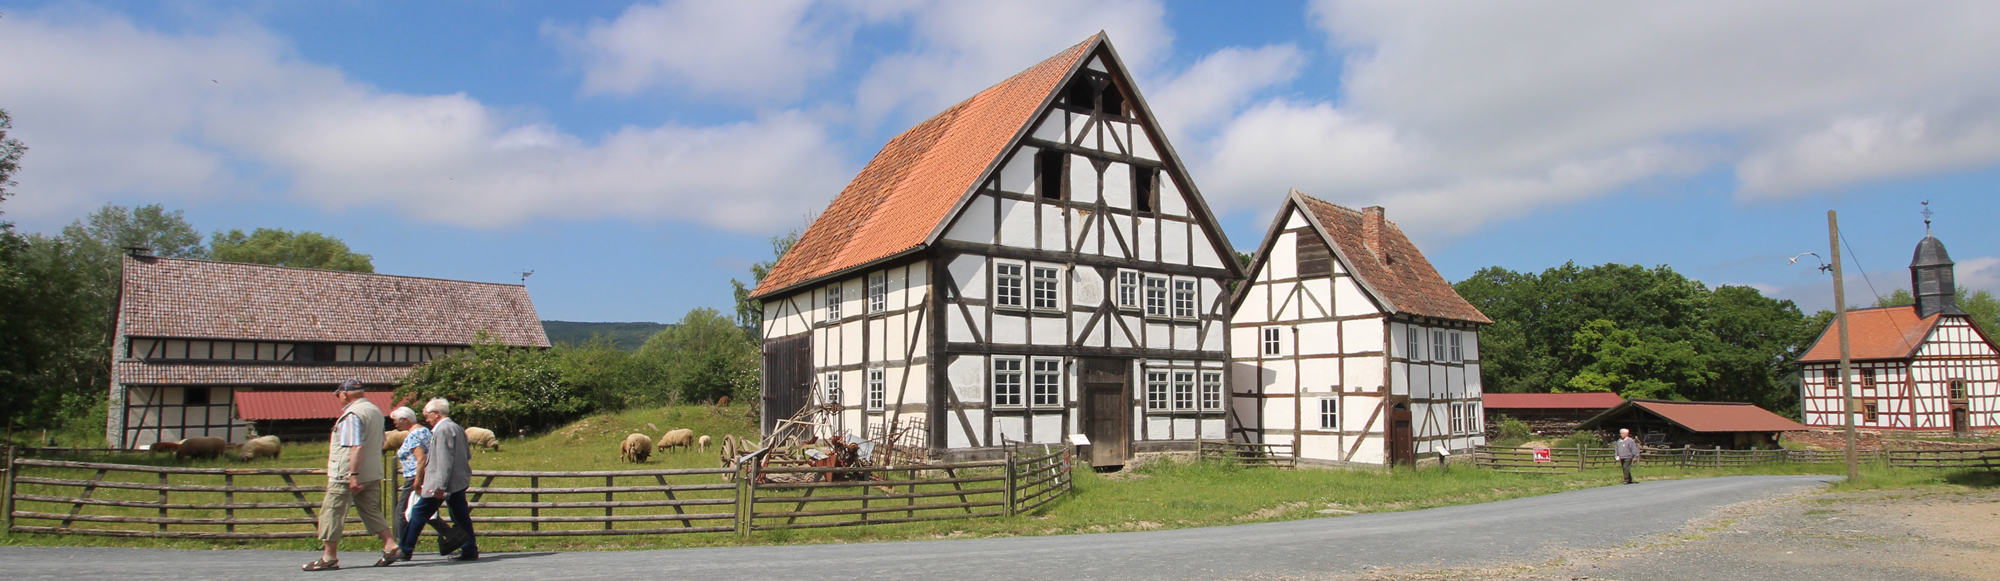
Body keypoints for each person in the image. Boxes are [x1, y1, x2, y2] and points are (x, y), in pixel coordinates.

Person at [304, 379, 401, 571]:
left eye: (338, 394)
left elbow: (356, 445)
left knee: (333, 511)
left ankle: (329, 556)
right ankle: (390, 545)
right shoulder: (374, 411)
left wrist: (353, 474)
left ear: (344, 394)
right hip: (372, 470)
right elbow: (381, 441)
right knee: (371, 508)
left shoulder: (352, 415)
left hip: (347, 473)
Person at [400, 398, 478, 562]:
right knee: (460, 515)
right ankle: (469, 548)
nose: (426, 419)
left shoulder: (442, 430)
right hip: (457, 481)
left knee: (419, 513)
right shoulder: (457, 427)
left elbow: (444, 459)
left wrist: (440, 486)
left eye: (427, 415)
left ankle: (405, 549)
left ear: (436, 413)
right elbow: (467, 454)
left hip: (440, 483)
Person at [389, 406, 461, 556]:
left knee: (403, 512)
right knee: (423, 511)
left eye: (396, 421)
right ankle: (455, 537)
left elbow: (421, 459)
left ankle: (403, 547)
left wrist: (417, 481)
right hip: (426, 476)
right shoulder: (425, 431)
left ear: (405, 420)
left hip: (416, 476)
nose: (395, 425)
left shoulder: (415, 434)